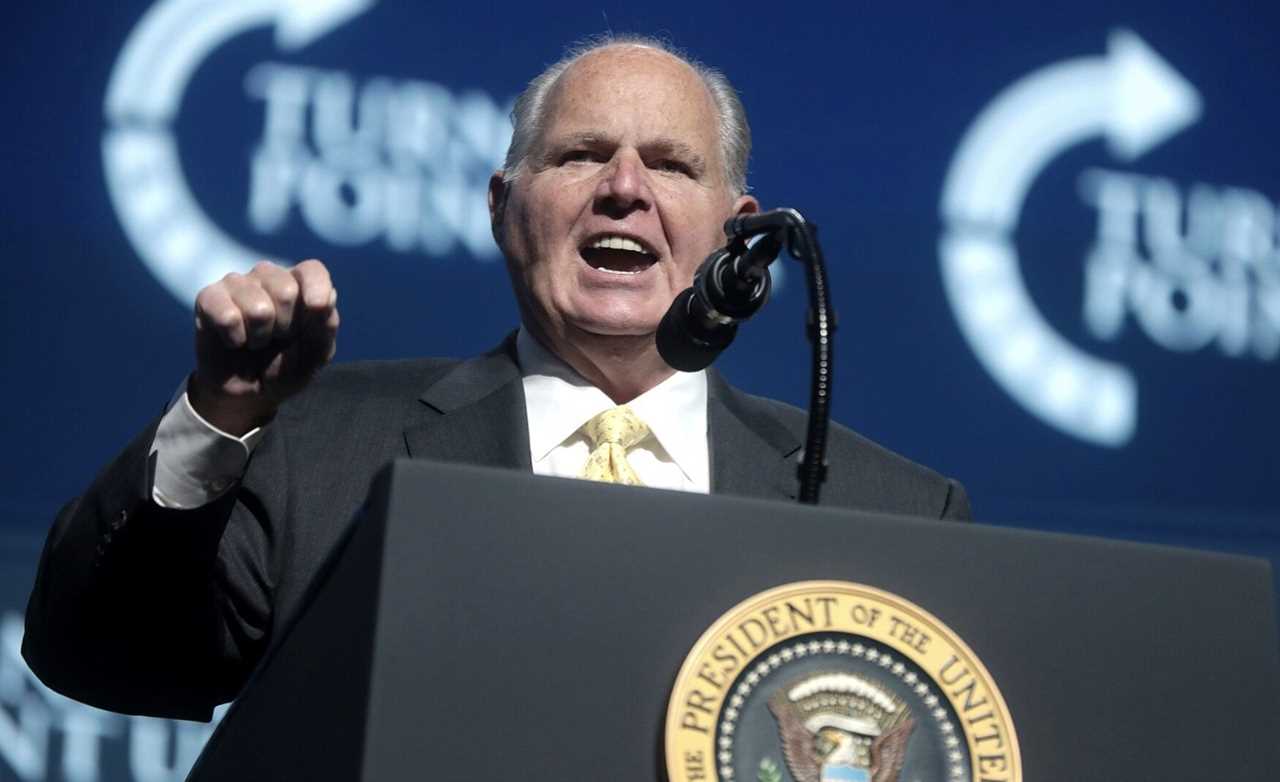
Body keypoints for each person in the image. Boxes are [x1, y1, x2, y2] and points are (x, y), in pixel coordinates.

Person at [23, 36, 970, 721]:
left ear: (738, 230)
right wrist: (220, 415)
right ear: (501, 206)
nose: (625, 188)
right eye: (581, 154)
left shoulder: (894, 512)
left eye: (672, 166)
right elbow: (104, 658)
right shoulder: (316, 443)